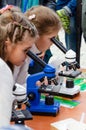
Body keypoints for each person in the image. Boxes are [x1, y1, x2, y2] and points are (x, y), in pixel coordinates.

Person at [0, 6, 38, 127]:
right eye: (25, 50)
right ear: (7, 44)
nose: (27, 57)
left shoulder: (11, 65)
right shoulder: (2, 70)